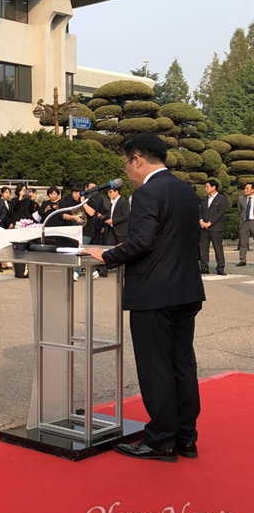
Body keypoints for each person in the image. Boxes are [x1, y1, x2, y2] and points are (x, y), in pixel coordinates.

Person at [85, 134, 204, 462]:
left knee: (157, 368)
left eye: (127, 163)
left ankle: (160, 440)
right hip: (186, 291)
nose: (127, 171)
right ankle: (185, 437)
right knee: (183, 363)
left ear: (138, 159)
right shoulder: (184, 189)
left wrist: (105, 255)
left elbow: (141, 242)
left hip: (154, 294)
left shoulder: (148, 192)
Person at [198, 179, 228, 275]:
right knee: (203, 248)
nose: (205, 188)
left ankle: (220, 267)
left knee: (218, 248)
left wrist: (210, 223)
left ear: (214, 187)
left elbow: (221, 213)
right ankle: (204, 267)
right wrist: (201, 221)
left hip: (216, 228)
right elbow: (200, 211)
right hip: (204, 228)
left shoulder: (222, 199)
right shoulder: (204, 199)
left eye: (207, 186)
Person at [238, 182, 254, 267]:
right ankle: (242, 260)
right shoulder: (241, 199)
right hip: (244, 222)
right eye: (245, 188)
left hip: (253, 221)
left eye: (247, 188)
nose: (245, 190)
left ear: (253, 189)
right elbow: (240, 210)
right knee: (243, 242)